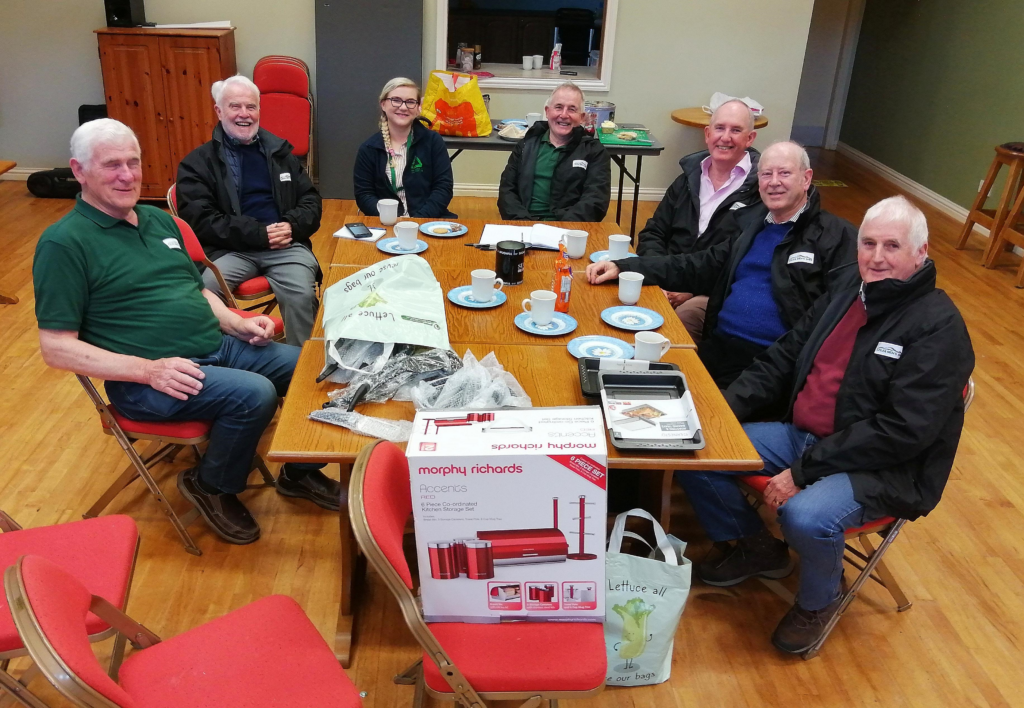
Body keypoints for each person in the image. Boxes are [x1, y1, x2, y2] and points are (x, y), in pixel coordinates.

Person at [676, 196, 974, 653]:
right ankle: (758, 548)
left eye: (892, 246)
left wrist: (803, 472)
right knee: (701, 447)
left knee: (804, 515)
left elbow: (900, 432)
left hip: (882, 467)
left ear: (922, 252)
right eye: (868, 243)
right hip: (805, 436)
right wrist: (719, 412)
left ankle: (819, 599)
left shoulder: (939, 329)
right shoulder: (847, 290)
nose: (876, 257)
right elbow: (783, 356)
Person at [33, 119, 340, 547]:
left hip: (215, 346)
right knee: (254, 393)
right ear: (79, 171)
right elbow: (55, 348)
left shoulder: (159, 222)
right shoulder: (64, 244)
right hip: (149, 378)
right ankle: (211, 485)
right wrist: (147, 370)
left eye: (133, 162)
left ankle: (298, 472)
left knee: (315, 366)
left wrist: (238, 322)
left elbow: (196, 289)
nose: (127, 175)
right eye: (111, 165)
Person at [587, 141, 857, 389]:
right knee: (625, 381)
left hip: (770, 363)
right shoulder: (752, 228)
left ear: (806, 178)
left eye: (784, 173)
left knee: (703, 415)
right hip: (719, 347)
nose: (774, 182)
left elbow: (836, 317)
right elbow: (695, 265)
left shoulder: (835, 237)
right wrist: (626, 267)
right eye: (766, 174)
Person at [177, 75, 322, 347]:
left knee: (301, 295)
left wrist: (292, 225)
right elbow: (201, 220)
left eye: (251, 107)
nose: (244, 114)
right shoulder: (197, 163)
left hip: (285, 246)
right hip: (231, 250)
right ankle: (228, 362)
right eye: (235, 106)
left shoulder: (280, 153)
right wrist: (258, 234)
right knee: (202, 292)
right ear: (219, 111)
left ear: (259, 110)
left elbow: (311, 200)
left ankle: (300, 371)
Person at [636, 99, 762, 343]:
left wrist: (689, 289)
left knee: (677, 325)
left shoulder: (758, 191)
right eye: (719, 128)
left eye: (736, 130)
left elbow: (741, 260)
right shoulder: (686, 179)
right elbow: (654, 232)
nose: (725, 137)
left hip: (711, 292)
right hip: (665, 280)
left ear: (750, 139)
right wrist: (661, 278)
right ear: (707, 134)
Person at [497, 82, 611, 222]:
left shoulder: (594, 152)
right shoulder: (526, 145)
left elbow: (596, 201)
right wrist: (522, 223)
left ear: (582, 117)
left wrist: (562, 227)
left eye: (572, 109)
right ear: (547, 111)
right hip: (524, 224)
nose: (564, 115)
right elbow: (507, 192)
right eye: (558, 107)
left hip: (570, 229)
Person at [353, 77, 455, 219]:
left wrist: (418, 220)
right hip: (385, 221)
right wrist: (390, 218)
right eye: (396, 100)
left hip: (427, 219)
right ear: (383, 104)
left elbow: (443, 188)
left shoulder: (433, 142)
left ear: (418, 108)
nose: (403, 107)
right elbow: (364, 195)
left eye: (410, 102)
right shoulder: (369, 149)